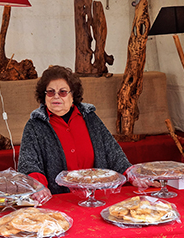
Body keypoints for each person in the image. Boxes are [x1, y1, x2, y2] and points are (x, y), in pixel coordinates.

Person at [18, 65, 132, 202]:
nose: (56, 96)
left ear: (73, 95)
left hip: (98, 197)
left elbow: (113, 151)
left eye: (63, 92)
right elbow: (28, 163)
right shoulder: (34, 126)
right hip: (61, 200)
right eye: (50, 92)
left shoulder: (90, 118)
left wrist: (130, 173)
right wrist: (37, 186)